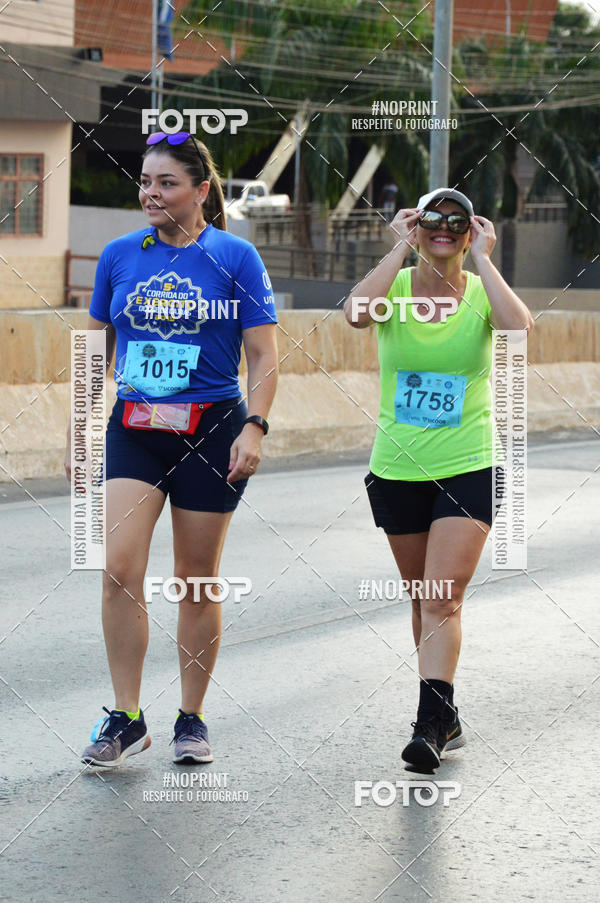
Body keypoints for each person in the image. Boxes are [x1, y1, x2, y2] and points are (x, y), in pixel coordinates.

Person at [65, 131, 278, 767]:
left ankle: (191, 716)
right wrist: (79, 427)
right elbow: (97, 346)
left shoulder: (235, 257)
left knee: (196, 581)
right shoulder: (119, 255)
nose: (151, 193)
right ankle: (127, 717)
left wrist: (256, 425)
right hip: (134, 426)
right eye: (146, 181)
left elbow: (264, 353)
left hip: (212, 429)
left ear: (201, 191)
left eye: (167, 183)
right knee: (119, 570)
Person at [344, 188, 533, 772]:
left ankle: (429, 723)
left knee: (442, 597)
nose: (444, 229)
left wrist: (485, 259)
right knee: (423, 598)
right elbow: (354, 313)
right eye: (433, 220)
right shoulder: (395, 292)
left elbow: (519, 332)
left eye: (457, 221)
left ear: (470, 231)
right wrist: (397, 248)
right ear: (416, 226)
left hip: (467, 465)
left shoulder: (480, 292)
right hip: (397, 468)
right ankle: (445, 713)